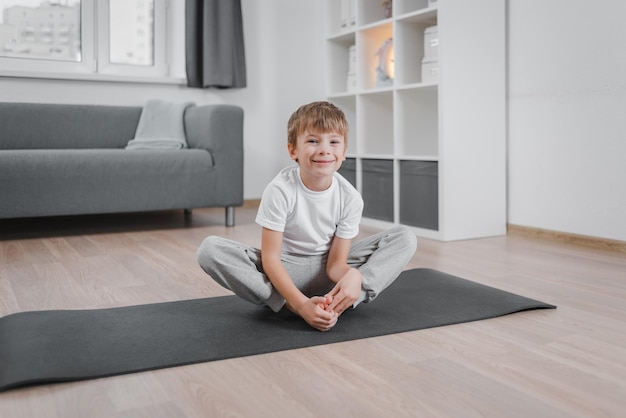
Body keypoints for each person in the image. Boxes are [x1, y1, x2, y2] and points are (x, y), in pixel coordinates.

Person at [197, 101, 417, 331]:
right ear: (293, 150)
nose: (324, 149)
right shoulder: (280, 190)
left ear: (343, 152)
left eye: (334, 142)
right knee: (210, 249)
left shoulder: (350, 197)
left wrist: (354, 276)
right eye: (313, 141)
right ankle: (291, 304)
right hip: (285, 269)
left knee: (404, 238)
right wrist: (301, 305)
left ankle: (343, 300)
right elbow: (271, 260)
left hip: (328, 270)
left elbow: (335, 265)